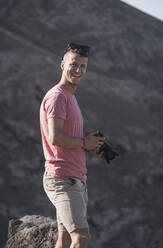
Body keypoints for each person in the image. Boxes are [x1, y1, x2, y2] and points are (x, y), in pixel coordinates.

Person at [40, 43, 105, 248]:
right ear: (62, 64)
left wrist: (90, 145)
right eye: (73, 64)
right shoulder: (58, 97)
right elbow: (55, 137)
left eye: (83, 66)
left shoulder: (69, 97)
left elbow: (66, 137)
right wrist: (85, 143)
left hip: (74, 178)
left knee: (66, 240)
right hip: (63, 180)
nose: (78, 70)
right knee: (81, 238)